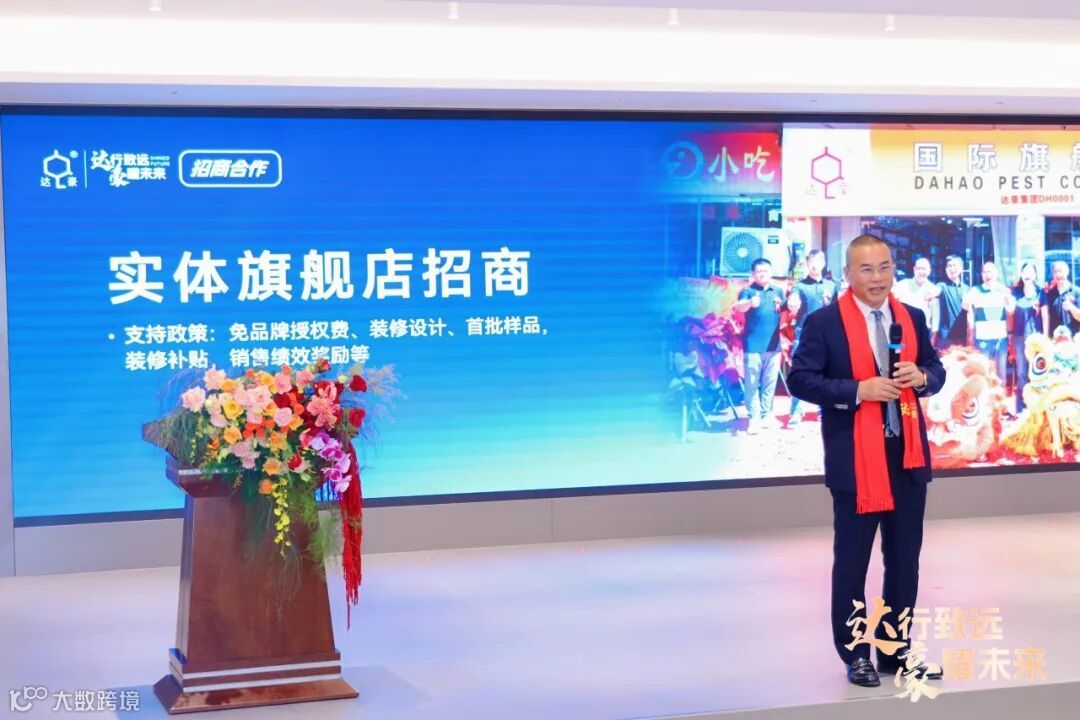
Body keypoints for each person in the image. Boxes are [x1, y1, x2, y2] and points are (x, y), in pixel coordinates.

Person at [788, 234, 946, 688]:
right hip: (856, 460)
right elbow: (800, 379)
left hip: (907, 457)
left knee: (904, 562)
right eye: (866, 269)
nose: (877, 278)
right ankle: (855, 654)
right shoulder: (824, 322)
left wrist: (922, 376)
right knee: (852, 563)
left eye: (884, 267)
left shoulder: (912, 317)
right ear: (847, 274)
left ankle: (895, 652)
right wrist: (858, 390)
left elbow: (936, 369)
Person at [733, 258, 786, 435]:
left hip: (774, 346)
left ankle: (766, 415)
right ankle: (754, 418)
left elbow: (787, 308)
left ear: (771, 272)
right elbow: (739, 307)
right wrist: (749, 303)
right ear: (753, 274)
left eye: (766, 271)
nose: (763, 274)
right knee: (752, 384)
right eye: (759, 271)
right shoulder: (747, 291)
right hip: (753, 346)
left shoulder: (778, 291)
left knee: (769, 384)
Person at [787, 250, 837, 425]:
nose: (815, 264)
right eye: (812, 261)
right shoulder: (799, 286)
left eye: (818, 261)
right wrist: (793, 303)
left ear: (823, 263)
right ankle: (796, 413)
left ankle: (824, 411)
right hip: (803, 336)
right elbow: (793, 300)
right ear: (807, 263)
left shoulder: (832, 285)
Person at [966, 261, 1014, 384]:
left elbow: (1011, 310)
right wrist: (970, 333)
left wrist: (1008, 298)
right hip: (982, 339)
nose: (988, 275)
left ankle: (1000, 396)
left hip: (1000, 339)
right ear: (981, 274)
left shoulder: (1003, 290)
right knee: (983, 373)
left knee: (1000, 374)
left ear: (996, 274)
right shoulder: (975, 291)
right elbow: (966, 307)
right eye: (985, 272)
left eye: (990, 272)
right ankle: (985, 396)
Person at [1010, 262, 1046, 415]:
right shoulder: (1015, 293)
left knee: (1036, 373)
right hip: (1019, 338)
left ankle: (1037, 408)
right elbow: (1010, 311)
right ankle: (1021, 408)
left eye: (1031, 271)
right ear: (1021, 274)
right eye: (1025, 271)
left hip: (1036, 339)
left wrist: (1045, 337)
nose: (1028, 274)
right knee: (1021, 373)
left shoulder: (1041, 293)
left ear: (1035, 275)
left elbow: (1045, 315)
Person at [892, 256, 939, 331]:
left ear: (929, 271)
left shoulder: (934, 289)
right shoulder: (902, 285)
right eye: (918, 268)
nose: (921, 271)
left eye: (924, 268)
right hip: (905, 328)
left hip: (924, 329)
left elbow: (935, 315)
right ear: (914, 269)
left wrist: (934, 331)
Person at [934, 255, 969, 350]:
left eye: (955, 265)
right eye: (949, 266)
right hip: (946, 338)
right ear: (946, 269)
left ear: (961, 268)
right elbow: (933, 291)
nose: (952, 268)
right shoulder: (941, 286)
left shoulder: (966, 288)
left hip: (963, 336)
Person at [1045, 260, 1080, 338]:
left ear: (1067, 272)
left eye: (1060, 271)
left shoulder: (1076, 291)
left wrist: (1071, 307)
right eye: (1055, 272)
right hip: (1054, 340)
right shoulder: (1049, 293)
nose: (1058, 274)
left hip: (1072, 339)